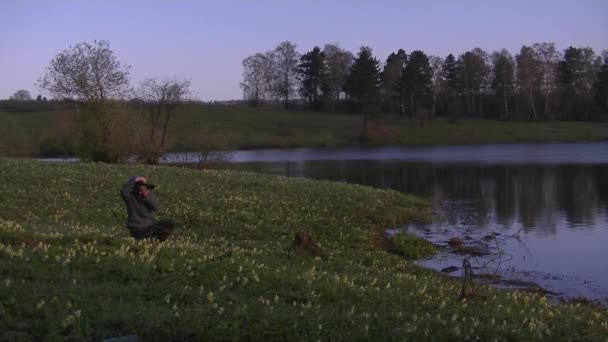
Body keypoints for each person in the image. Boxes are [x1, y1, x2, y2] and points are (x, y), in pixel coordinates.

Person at [119, 176, 176, 241]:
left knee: (170, 222)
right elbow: (123, 191)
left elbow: (155, 206)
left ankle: (159, 241)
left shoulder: (147, 193)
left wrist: (145, 194)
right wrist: (135, 181)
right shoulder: (130, 196)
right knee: (146, 239)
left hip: (150, 225)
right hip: (138, 228)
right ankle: (150, 241)